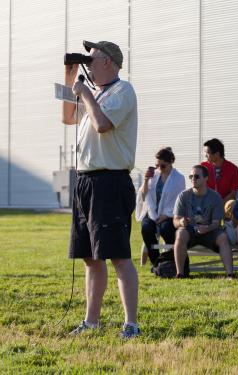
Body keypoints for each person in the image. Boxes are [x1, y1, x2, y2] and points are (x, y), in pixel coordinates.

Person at [62, 41, 140, 338]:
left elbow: (103, 125)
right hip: (86, 182)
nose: (88, 63)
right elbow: (68, 117)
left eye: (91, 59)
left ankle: (131, 324)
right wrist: (71, 78)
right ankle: (91, 321)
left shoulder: (123, 91)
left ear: (108, 62)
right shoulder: (95, 94)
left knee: (118, 255)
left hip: (110, 181)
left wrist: (85, 94)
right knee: (90, 256)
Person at [173, 165, 234, 278]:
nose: (193, 179)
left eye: (196, 176)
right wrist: (181, 222)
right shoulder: (183, 196)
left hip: (210, 230)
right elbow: (175, 220)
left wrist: (207, 228)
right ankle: (180, 274)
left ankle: (230, 274)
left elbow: (216, 222)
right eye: (191, 176)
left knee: (223, 237)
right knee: (180, 233)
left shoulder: (215, 197)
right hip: (190, 230)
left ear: (206, 178)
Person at [135, 147, 185, 266]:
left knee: (166, 229)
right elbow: (143, 195)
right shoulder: (154, 175)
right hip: (152, 212)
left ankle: (172, 259)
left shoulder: (179, 178)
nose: (159, 169)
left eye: (163, 166)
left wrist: (167, 215)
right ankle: (157, 263)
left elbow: (178, 201)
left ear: (171, 162)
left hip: (170, 214)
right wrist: (146, 180)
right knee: (146, 229)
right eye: (157, 165)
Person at [202, 138, 238, 205]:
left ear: (217, 154)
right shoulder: (202, 167)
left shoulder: (233, 169)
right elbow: (198, 187)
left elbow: (233, 192)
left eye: (207, 153)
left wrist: (220, 204)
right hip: (205, 206)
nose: (205, 155)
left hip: (225, 208)